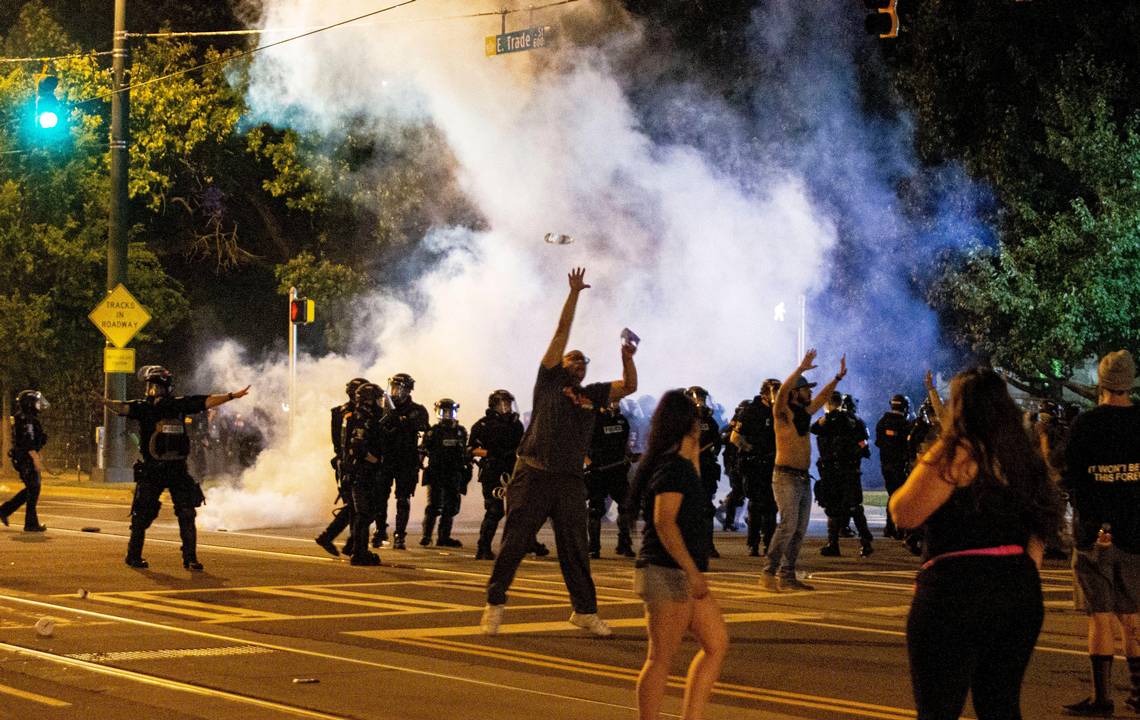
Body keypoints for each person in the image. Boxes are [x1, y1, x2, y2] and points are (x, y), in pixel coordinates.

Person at [890, 367, 1063, 720]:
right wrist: (1020, 574)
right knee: (1001, 705)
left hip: (955, 593)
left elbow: (904, 514)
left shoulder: (956, 454)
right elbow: (1040, 528)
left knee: (939, 708)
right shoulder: (1023, 456)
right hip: (1018, 591)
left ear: (960, 408)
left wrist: (941, 446)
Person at [482, 267, 637, 637]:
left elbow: (629, 385)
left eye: (583, 361)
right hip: (533, 472)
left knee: (575, 548)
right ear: (561, 363)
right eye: (573, 359)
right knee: (515, 543)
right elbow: (560, 332)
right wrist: (574, 294)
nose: (579, 363)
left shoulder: (593, 393)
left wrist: (626, 355)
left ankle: (584, 611)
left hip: (569, 479)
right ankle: (495, 603)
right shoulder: (549, 380)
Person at [632, 390, 728, 720]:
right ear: (688, 424)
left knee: (716, 643)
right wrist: (692, 571)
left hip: (680, 573)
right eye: (696, 420)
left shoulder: (683, 466)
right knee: (660, 657)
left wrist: (694, 449)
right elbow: (664, 522)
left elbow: (694, 496)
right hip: (667, 572)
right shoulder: (672, 468)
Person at [98, 366, 249, 570]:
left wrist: (231, 396)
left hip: (177, 469)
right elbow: (123, 408)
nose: (153, 390)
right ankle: (133, 555)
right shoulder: (145, 408)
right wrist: (105, 402)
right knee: (142, 515)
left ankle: (190, 558)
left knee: (187, 513)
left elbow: (204, 401)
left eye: (156, 386)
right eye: (151, 386)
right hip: (152, 470)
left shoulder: (178, 405)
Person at [1061, 350, 1140, 717]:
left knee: (1100, 615)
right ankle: (1138, 691)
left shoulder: (1086, 425)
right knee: (1133, 614)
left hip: (1094, 534)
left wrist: (1097, 523)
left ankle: (1102, 697)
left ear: (1101, 382)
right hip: (1136, 534)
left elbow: (1072, 478)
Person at [760, 350, 846, 592]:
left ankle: (787, 576)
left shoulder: (804, 415)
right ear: (795, 392)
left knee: (798, 530)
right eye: (806, 389)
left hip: (802, 478)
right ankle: (769, 571)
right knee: (788, 526)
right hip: (785, 476)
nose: (810, 393)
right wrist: (799, 369)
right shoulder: (782, 414)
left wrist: (837, 378)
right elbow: (781, 395)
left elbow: (823, 397)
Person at [812, 392, 873, 558]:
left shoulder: (827, 421)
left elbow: (813, 429)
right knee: (854, 507)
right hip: (849, 470)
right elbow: (864, 446)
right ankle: (865, 542)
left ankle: (833, 544)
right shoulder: (855, 421)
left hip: (833, 471)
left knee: (834, 508)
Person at [315, 378, 369, 557]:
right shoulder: (348, 414)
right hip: (349, 464)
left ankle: (349, 543)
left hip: (347, 464)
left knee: (355, 507)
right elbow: (343, 443)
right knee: (357, 507)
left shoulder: (347, 412)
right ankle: (336, 539)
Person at [375, 373, 429, 550]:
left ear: (407, 390)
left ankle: (399, 535)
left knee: (403, 499)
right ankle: (380, 530)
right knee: (380, 497)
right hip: (385, 459)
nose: (394, 391)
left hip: (406, 460)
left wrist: (401, 421)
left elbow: (425, 430)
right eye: (393, 387)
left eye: (398, 388)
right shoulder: (382, 408)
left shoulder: (417, 410)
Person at [470, 390, 525, 559]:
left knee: (520, 510)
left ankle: (526, 544)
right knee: (495, 510)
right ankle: (483, 547)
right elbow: (472, 449)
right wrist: (491, 453)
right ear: (495, 405)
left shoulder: (516, 425)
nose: (507, 407)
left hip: (513, 470)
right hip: (492, 471)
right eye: (504, 403)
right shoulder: (483, 425)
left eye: (509, 403)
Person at [730, 379, 780, 557]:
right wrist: (751, 449)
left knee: (771, 506)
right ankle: (753, 543)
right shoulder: (751, 411)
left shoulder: (778, 410)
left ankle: (769, 543)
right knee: (756, 505)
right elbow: (735, 438)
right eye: (776, 391)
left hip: (772, 463)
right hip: (754, 464)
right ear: (766, 393)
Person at [585, 398, 635, 559]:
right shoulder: (593, 420)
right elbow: (581, 446)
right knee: (595, 510)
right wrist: (590, 464)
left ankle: (624, 544)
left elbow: (625, 444)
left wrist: (629, 456)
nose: (615, 404)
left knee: (626, 506)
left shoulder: (622, 420)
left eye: (617, 401)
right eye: (613, 401)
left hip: (618, 472)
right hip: (598, 472)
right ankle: (593, 547)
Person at [342, 382, 385, 566]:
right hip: (362, 472)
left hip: (360, 472)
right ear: (369, 401)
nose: (380, 403)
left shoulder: (360, 417)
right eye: (377, 399)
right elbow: (358, 447)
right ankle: (359, 553)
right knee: (364, 513)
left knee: (365, 513)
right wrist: (377, 461)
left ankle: (358, 549)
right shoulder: (362, 419)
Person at [420, 398, 470, 547]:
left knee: (451, 507)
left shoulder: (461, 431)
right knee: (434, 506)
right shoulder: (433, 432)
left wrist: (467, 466)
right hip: (437, 472)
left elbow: (465, 451)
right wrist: (418, 463)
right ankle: (427, 536)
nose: (447, 415)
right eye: (444, 412)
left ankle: (443, 537)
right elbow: (422, 450)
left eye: (450, 412)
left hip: (454, 472)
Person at [1, 390, 50, 531]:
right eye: (36, 402)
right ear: (29, 404)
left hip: (24, 458)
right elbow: (28, 441)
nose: (38, 405)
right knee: (34, 488)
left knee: (31, 489)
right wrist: (35, 459)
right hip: (27, 459)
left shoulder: (24, 418)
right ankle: (30, 524)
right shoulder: (26, 420)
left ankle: (5, 510)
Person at [686, 386, 723, 559]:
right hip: (688, 468)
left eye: (702, 398)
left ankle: (708, 545)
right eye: (697, 398)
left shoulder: (710, 421)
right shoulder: (683, 420)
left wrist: (714, 450)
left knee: (707, 508)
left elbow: (717, 442)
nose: (700, 401)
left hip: (706, 467)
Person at [875, 394, 912, 540]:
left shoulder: (882, 422)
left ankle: (889, 527)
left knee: (892, 494)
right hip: (900, 465)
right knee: (901, 495)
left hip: (885, 464)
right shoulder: (905, 424)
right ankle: (899, 528)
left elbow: (878, 443)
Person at [716, 417, 743, 531]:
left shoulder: (734, 427)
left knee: (740, 492)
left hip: (736, 464)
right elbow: (721, 438)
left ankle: (728, 516)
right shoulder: (732, 429)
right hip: (734, 465)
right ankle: (726, 515)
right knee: (738, 492)